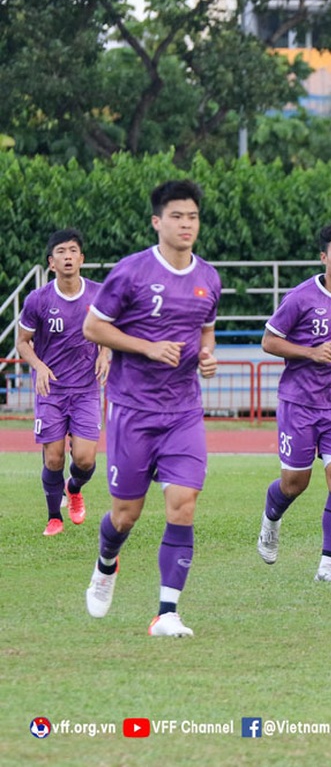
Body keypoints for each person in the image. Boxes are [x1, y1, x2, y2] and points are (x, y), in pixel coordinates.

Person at [81, 180, 221, 637]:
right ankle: (106, 563)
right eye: (177, 216)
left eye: (193, 217)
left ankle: (167, 613)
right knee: (125, 515)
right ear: (157, 221)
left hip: (182, 410)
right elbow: (93, 328)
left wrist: (207, 355)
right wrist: (145, 347)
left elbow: (205, 331)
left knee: (183, 504)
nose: (186, 224)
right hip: (132, 411)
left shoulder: (209, 278)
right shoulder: (131, 272)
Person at [256, 217, 331, 582]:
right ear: (323, 257)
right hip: (299, 403)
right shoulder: (301, 298)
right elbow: (269, 341)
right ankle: (271, 519)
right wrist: (310, 353)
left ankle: (328, 563)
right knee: (295, 483)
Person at [17, 229, 110, 536]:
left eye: (73, 251)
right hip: (51, 390)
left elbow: (109, 329)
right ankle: (54, 516)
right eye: (61, 251)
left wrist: (105, 352)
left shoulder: (98, 295)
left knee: (84, 459)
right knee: (54, 456)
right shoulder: (38, 299)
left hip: (85, 389)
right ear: (51, 262)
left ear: (81, 258)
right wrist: (39, 366)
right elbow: (22, 342)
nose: (67, 256)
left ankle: (75, 488)